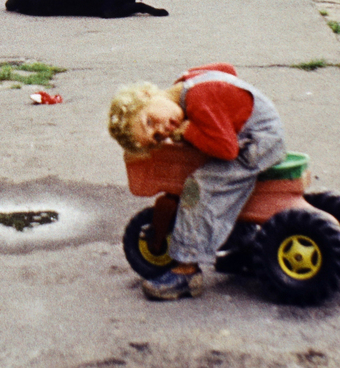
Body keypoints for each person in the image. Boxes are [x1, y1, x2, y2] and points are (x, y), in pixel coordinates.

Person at [107, 64, 287, 300]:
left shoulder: (199, 99)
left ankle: (186, 272)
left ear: (146, 94)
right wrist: (226, 108)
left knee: (198, 187)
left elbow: (227, 150)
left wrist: (189, 130)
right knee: (206, 167)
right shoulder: (186, 81)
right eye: (157, 138)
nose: (162, 131)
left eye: (149, 121)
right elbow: (226, 69)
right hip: (259, 128)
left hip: (257, 142)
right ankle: (241, 242)